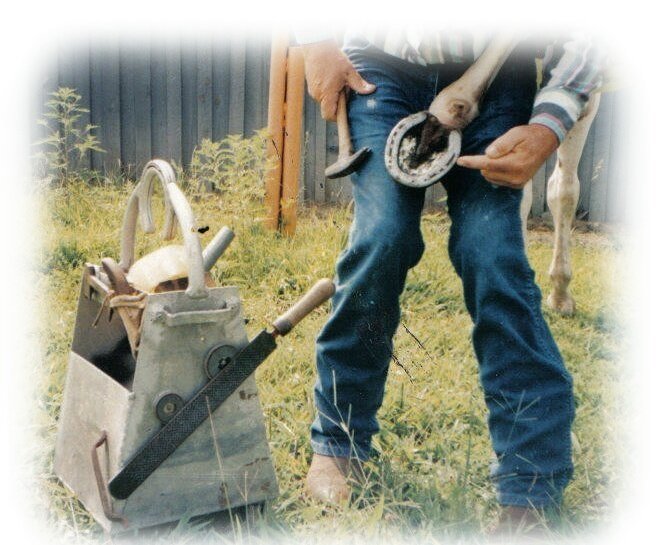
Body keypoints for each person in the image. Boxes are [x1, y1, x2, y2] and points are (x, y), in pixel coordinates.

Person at [296, 29, 602, 527]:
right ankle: (338, 439)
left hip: (499, 75)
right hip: (382, 67)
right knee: (382, 239)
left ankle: (530, 476)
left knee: (491, 253)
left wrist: (546, 128)